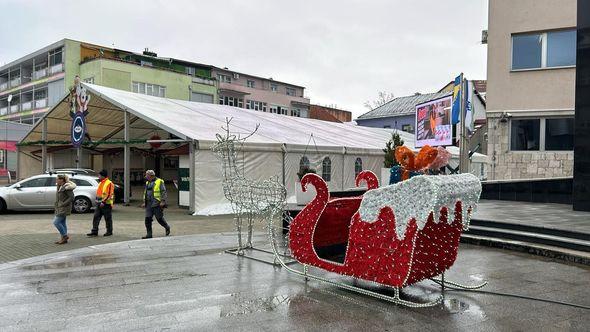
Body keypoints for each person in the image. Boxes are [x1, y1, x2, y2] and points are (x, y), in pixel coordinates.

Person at [141, 170, 171, 239]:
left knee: (159, 218)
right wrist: (144, 202)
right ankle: (149, 234)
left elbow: (163, 192)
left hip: (157, 203)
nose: (145, 176)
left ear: (151, 175)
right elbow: (146, 193)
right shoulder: (147, 182)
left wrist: (163, 201)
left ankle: (167, 227)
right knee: (147, 219)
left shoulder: (160, 181)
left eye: (147, 175)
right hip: (149, 204)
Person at [87, 169, 114, 237]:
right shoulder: (100, 183)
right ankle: (94, 231)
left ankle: (109, 231)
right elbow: (99, 193)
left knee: (107, 218)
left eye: (99, 175)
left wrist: (103, 202)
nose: (98, 176)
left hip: (106, 204)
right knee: (96, 217)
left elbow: (109, 194)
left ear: (103, 176)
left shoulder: (109, 183)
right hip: (99, 203)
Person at [53, 174, 76, 245]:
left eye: (57, 179)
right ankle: (63, 239)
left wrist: (63, 204)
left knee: (56, 222)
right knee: (62, 222)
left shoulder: (67, 187)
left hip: (64, 207)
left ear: (61, 180)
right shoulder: (59, 186)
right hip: (60, 207)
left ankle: (65, 236)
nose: (56, 180)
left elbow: (72, 197)